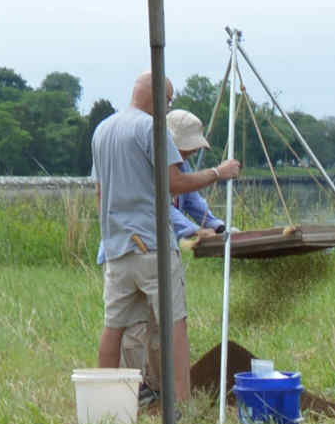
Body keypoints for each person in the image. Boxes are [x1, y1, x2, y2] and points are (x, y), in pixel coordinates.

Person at [90, 73, 239, 386]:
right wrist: (218, 172)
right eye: (168, 101)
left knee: (114, 325)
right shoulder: (151, 127)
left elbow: (100, 194)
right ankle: (180, 404)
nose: (167, 107)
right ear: (159, 97)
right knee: (174, 325)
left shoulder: (102, 130)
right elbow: (174, 183)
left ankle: (107, 396)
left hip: (117, 247)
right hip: (153, 245)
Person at [166, 110, 231, 245]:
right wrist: (195, 230)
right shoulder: (155, 167)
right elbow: (162, 209)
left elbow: (192, 200)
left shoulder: (183, 164)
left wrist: (217, 226)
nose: (194, 151)